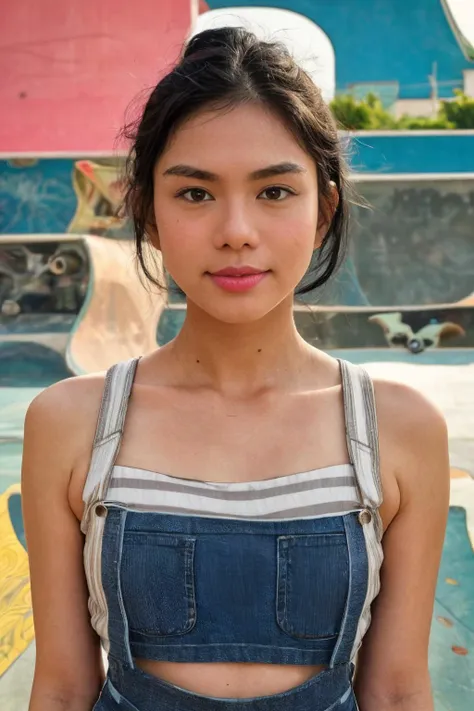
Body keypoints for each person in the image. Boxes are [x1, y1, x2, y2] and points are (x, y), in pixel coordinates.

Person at [22, 27, 450, 711]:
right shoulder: (72, 424)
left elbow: (397, 691)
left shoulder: (397, 429)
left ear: (323, 210)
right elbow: (65, 688)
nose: (237, 230)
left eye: (275, 191)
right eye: (195, 194)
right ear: (149, 213)